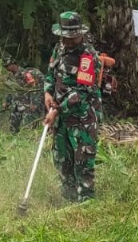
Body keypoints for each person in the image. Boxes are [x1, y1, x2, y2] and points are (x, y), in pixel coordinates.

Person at [43, 11, 103, 203]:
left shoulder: (88, 56)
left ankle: (86, 203)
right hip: (60, 116)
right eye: (64, 36)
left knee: (83, 161)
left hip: (82, 118)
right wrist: (47, 93)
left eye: (72, 37)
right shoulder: (59, 48)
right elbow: (51, 74)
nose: (67, 41)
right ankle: (68, 199)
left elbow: (81, 92)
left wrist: (56, 109)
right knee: (62, 158)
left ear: (80, 33)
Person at [4, 58, 45, 133]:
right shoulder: (10, 76)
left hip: (27, 102)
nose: (7, 68)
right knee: (13, 123)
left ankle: (27, 137)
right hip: (17, 103)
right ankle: (13, 137)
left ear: (14, 64)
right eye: (5, 66)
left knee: (28, 124)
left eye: (8, 66)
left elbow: (34, 88)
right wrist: (6, 102)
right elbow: (10, 90)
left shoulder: (25, 73)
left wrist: (34, 103)